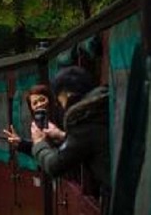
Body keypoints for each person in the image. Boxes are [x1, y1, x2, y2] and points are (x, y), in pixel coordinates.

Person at [31, 65, 110, 196]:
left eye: (59, 98)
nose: (60, 104)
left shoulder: (84, 118)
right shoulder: (100, 108)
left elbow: (54, 165)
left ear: (66, 94)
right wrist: (61, 135)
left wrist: (39, 143)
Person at [2, 84, 65, 155]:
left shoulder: (63, 115)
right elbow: (40, 149)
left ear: (49, 99)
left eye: (42, 100)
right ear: (31, 108)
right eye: (35, 103)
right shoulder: (36, 123)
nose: (39, 104)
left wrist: (59, 135)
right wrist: (20, 143)